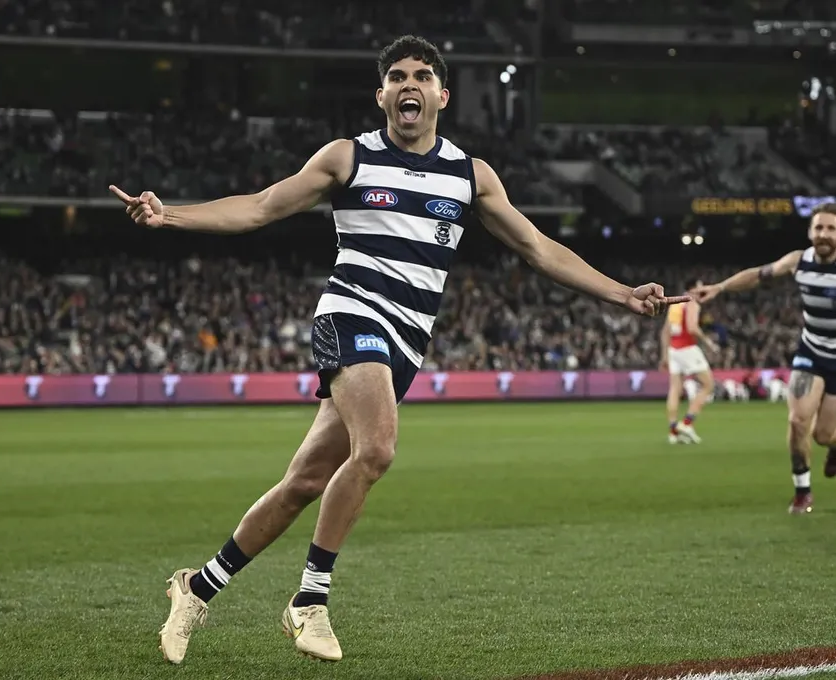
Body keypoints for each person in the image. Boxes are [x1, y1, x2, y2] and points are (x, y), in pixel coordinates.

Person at [110, 35, 687, 665]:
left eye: (421, 76)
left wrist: (620, 293)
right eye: (396, 77)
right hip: (351, 315)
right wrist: (171, 217)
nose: (408, 84)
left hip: (406, 344)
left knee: (303, 483)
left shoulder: (470, 175)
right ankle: (310, 601)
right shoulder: (347, 158)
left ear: (442, 94)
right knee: (378, 447)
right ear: (381, 94)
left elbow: (538, 248)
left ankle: (196, 588)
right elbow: (258, 208)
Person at [693, 202, 836, 515]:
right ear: (810, 231)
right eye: (819, 228)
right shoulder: (799, 261)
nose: (824, 234)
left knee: (824, 435)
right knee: (798, 420)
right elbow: (758, 275)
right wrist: (720, 287)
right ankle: (802, 491)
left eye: (831, 228)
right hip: (811, 353)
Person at [660, 278, 719, 444]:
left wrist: (664, 355)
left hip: (674, 350)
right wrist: (709, 343)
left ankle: (673, 432)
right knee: (708, 385)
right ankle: (687, 423)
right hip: (688, 348)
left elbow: (665, 331)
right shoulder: (692, 303)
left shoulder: (675, 304)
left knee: (675, 390)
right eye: (701, 287)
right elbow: (692, 327)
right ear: (693, 289)